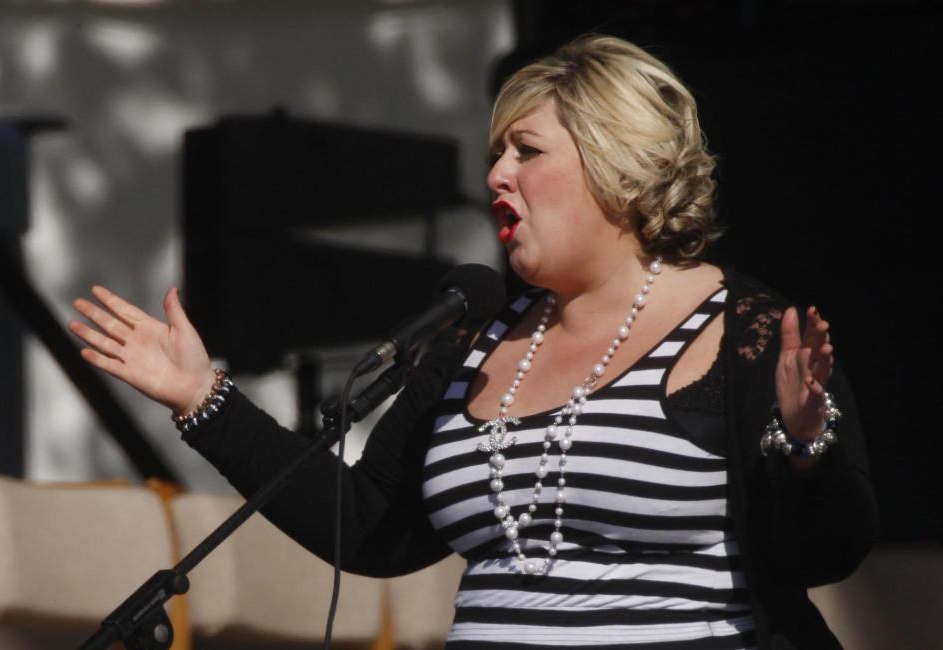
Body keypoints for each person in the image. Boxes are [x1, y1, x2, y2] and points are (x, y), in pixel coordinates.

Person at [70, 34, 878, 649]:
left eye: (526, 152)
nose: (496, 174)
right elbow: (368, 525)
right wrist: (203, 401)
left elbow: (824, 550)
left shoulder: (748, 332)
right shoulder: (478, 339)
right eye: (497, 152)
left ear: (622, 171)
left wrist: (805, 450)